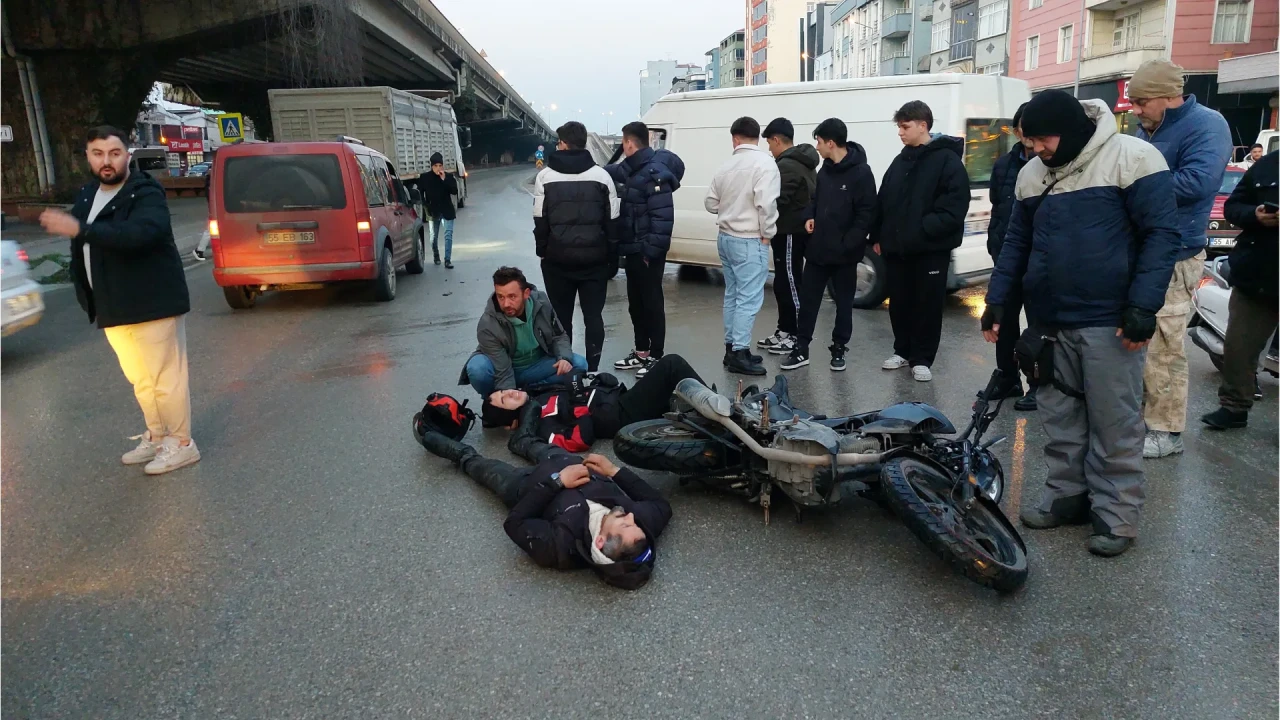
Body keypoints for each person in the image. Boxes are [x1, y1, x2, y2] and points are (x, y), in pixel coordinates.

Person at [982, 90, 1180, 557]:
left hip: (1109, 321)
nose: (1035, 150)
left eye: (1041, 140)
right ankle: (1067, 498)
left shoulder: (1133, 157)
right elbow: (1017, 242)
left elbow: (1161, 235)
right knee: (1061, 418)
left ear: (1070, 130)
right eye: (1029, 142)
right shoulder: (1033, 174)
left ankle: (1116, 517)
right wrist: (997, 301)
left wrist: (1143, 306)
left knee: (1115, 423)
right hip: (1049, 320)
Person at [39, 125, 199, 475]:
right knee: (141, 379)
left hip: (153, 300)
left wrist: (80, 229)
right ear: (88, 157)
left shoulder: (144, 192)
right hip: (113, 304)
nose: (106, 161)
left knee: (165, 377)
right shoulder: (87, 194)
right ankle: (158, 436)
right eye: (98, 154)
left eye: (114, 153)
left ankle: (182, 443)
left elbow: (139, 235)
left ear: (128, 154)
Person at [414, 407, 671, 590]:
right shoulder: (640, 531)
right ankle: (522, 437)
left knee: (478, 465)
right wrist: (615, 471)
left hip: (526, 486)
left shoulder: (560, 548)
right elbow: (661, 505)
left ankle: (446, 446)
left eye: (625, 524)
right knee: (530, 443)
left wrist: (556, 482)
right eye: (633, 522)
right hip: (566, 461)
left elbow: (515, 523)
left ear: (601, 541)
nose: (630, 515)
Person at [1126, 60, 1234, 459]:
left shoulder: (1208, 125)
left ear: (1169, 97)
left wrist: (1131, 183)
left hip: (1177, 252)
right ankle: (1140, 418)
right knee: (1137, 340)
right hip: (1139, 248)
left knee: (1165, 344)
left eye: (1141, 101)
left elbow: (1197, 183)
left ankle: (1165, 430)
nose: (1136, 110)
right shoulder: (1149, 127)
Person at [871, 101, 971, 382]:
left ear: (923, 125)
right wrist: (878, 235)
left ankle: (922, 358)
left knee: (927, 304)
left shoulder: (947, 161)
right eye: (899, 127)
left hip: (930, 250)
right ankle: (902, 351)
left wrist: (921, 230)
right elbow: (884, 199)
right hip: (898, 250)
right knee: (900, 302)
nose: (900, 133)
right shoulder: (900, 161)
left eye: (905, 127)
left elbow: (953, 208)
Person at [781, 118, 876, 372]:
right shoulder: (824, 170)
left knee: (843, 305)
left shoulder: (861, 173)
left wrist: (849, 243)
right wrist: (809, 216)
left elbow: (866, 214)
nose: (817, 147)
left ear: (831, 143)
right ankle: (801, 349)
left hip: (845, 254)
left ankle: (838, 349)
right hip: (818, 250)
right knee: (809, 301)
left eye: (819, 142)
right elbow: (815, 199)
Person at [533, 121, 620, 373]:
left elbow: (540, 221)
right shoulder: (602, 176)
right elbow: (612, 222)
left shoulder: (545, 177)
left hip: (557, 261)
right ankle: (593, 370)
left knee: (561, 320)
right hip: (595, 262)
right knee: (593, 317)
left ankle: (567, 369)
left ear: (563, 144)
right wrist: (612, 258)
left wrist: (543, 252)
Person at [1201, 150, 1278, 430]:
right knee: (1238, 347)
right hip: (1257, 275)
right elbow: (1234, 206)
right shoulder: (1268, 165)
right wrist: (1255, 215)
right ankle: (1234, 408)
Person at [479, 354, 706, 449]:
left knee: (680, 397)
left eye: (504, 391)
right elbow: (580, 441)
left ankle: (710, 409)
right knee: (670, 365)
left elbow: (576, 383)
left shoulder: (537, 396)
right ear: (512, 422)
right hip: (623, 416)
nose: (510, 393)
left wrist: (600, 384)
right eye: (504, 401)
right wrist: (579, 401)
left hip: (620, 400)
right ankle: (715, 408)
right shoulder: (541, 426)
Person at [606, 121, 686, 378]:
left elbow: (663, 219)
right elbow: (610, 172)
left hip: (646, 252)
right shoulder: (633, 169)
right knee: (636, 304)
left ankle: (656, 355)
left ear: (629, 143)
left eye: (624, 143)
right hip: (633, 249)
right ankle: (641, 351)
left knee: (652, 303)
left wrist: (650, 253)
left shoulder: (654, 173)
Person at [704, 116, 781, 376]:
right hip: (750, 238)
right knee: (749, 299)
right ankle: (739, 351)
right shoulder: (765, 164)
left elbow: (710, 203)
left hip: (725, 237)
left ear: (735, 138)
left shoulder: (725, 167)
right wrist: (768, 233)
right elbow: (767, 204)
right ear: (757, 137)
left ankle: (733, 348)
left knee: (733, 295)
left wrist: (730, 206)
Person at [983, 103, 1039, 411]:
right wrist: (995, 245)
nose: (1028, 138)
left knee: (1036, 325)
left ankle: (1038, 384)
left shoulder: (1051, 165)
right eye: (1022, 131)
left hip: (1038, 260)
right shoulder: (1004, 164)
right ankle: (1008, 377)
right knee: (1002, 320)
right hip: (1006, 253)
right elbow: (998, 207)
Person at [458, 266, 588, 397]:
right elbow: (503, 371)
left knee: (579, 364)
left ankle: (530, 390)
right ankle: (493, 399)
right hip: (503, 368)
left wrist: (564, 358)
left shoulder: (541, 302)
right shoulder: (488, 324)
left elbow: (559, 336)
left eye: (512, 296)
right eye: (500, 297)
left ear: (526, 293)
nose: (506, 303)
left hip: (537, 365)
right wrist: (510, 403)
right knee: (477, 369)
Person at [756, 118, 819, 357]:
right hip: (785, 231)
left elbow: (779, 199)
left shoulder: (788, 166)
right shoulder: (794, 162)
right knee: (783, 282)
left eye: (770, 143)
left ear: (776, 139)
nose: (769, 149)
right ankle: (784, 330)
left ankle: (795, 335)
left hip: (792, 231)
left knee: (792, 282)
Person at [418, 152, 459, 268]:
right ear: (431, 166)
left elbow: (454, 191)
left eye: (440, 165)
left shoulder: (448, 177)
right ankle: (436, 255)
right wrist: (426, 205)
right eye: (435, 166)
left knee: (448, 234)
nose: (438, 168)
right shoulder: (425, 177)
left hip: (447, 210)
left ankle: (447, 260)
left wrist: (444, 179)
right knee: (433, 236)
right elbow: (420, 193)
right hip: (433, 210)